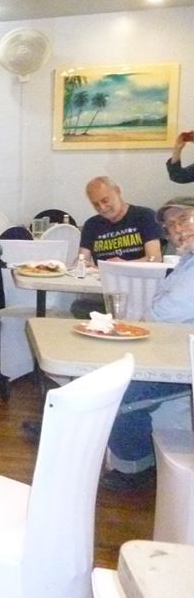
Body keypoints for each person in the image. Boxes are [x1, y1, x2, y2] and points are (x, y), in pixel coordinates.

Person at [101, 196, 194, 491]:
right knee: (105, 369)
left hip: (184, 365)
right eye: (171, 225)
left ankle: (135, 468)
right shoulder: (186, 263)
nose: (177, 229)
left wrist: (139, 326)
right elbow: (161, 310)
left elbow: (166, 312)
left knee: (119, 391)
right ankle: (68, 428)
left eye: (184, 219)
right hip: (171, 352)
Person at [73, 176, 161, 316]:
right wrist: (83, 265)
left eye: (105, 200)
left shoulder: (145, 216)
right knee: (80, 307)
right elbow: (82, 259)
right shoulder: (91, 225)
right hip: (105, 290)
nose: (102, 208)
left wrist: (122, 266)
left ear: (118, 191)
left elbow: (154, 258)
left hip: (139, 291)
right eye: (96, 204)